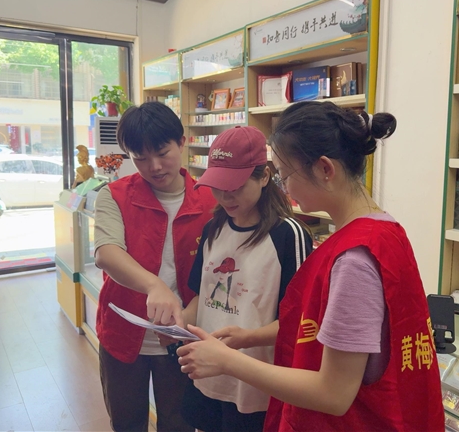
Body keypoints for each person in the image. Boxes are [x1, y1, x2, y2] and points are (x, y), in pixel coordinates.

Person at [177, 102, 445, 431]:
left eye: (285, 175)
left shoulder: (354, 259)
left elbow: (333, 393)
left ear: (324, 169)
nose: (284, 188)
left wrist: (227, 361)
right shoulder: (383, 231)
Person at [94, 101, 217, 432]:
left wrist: (188, 314)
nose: (155, 166)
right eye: (141, 158)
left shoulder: (210, 200)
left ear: (182, 142)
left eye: (163, 153)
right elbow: (106, 252)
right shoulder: (114, 195)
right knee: (126, 422)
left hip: (184, 336)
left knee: (179, 423)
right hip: (122, 334)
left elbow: (216, 272)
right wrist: (154, 285)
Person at [180, 126, 312, 432]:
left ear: (264, 176)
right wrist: (178, 323)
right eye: (218, 186)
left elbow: (301, 321)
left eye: (235, 186)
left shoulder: (288, 235)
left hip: (257, 386)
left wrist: (247, 338)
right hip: (208, 375)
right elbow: (202, 297)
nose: (225, 196)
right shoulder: (213, 228)